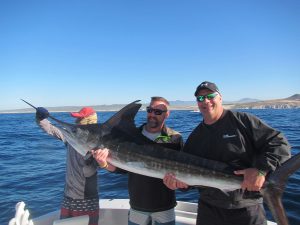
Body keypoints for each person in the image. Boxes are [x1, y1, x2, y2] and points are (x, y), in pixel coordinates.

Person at [163, 81, 291, 225]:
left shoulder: (243, 121)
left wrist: (261, 169)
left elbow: (279, 143)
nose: (205, 101)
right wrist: (181, 184)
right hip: (209, 209)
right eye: (200, 98)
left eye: (210, 96)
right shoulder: (195, 137)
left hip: (246, 207)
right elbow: (190, 178)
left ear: (220, 98)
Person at [92, 96, 184, 225]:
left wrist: (179, 184)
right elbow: (121, 168)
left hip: (165, 206)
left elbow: (184, 172)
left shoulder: (174, 138)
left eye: (158, 112)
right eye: (150, 110)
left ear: (167, 114)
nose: (152, 114)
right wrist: (104, 163)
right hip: (138, 205)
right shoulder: (133, 136)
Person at [36, 106, 100, 225]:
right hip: (68, 196)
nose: (76, 122)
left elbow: (99, 166)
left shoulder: (97, 144)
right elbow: (51, 128)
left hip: (87, 199)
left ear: (89, 122)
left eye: (80, 120)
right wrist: (40, 118)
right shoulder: (70, 136)